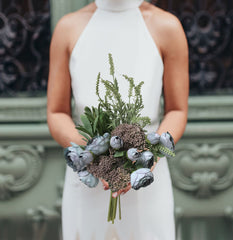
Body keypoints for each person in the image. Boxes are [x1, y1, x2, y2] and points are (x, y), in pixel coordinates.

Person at [47, 0, 189, 239]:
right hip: (87, 182)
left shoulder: (167, 26)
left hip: (145, 180)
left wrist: (149, 154)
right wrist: (95, 156)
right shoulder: (68, 27)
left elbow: (177, 110)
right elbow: (56, 113)